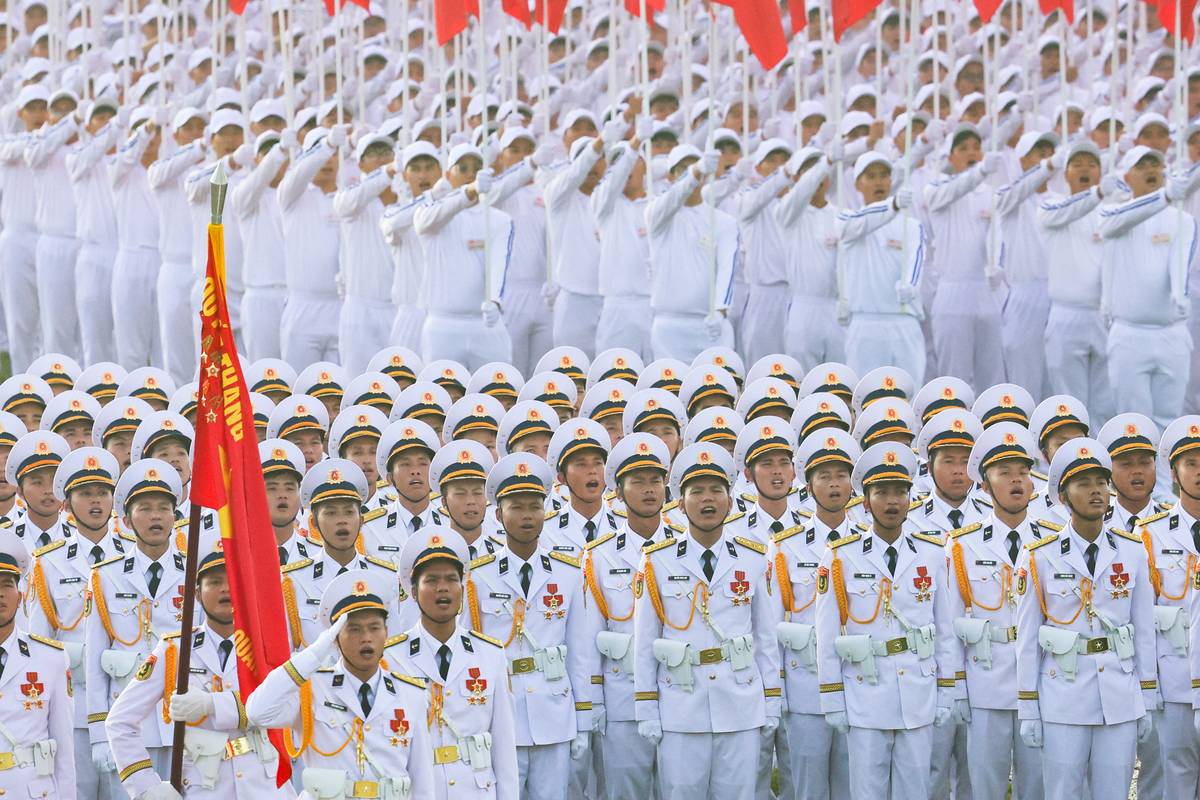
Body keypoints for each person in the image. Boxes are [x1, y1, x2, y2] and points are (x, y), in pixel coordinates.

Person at [814, 442, 962, 800]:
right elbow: (827, 633)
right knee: (868, 790)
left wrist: (947, 691)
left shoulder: (931, 553)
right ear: (865, 502)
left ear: (910, 499)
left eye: (900, 492)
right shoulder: (840, 557)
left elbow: (945, 630)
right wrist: (832, 697)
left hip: (918, 693)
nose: (892, 501)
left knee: (916, 789)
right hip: (865, 692)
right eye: (882, 493)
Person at [634, 442, 781, 800]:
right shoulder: (657, 561)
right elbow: (645, 642)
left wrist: (771, 701)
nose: (707, 499)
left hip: (740, 703)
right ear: (680, 503)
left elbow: (765, 637)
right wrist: (646, 708)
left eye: (716, 490)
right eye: (696, 491)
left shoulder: (753, 558)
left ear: (730, 501)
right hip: (681, 705)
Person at [1014, 438, 1156, 799]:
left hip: (1119, 696)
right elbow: (1027, 639)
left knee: (1113, 792)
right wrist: (1028, 707)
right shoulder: (1039, 556)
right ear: (1064, 497)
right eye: (1083, 484)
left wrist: (1148, 697)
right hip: (1063, 695)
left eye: (1101, 483)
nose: (1096, 491)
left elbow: (1143, 631)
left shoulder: (1132, 550)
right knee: (1063, 792)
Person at [105, 552, 293, 800]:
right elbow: (119, 720)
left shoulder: (268, 649)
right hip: (203, 786)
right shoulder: (175, 650)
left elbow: (288, 706)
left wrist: (211, 704)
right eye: (214, 582)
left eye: (234, 580)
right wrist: (146, 786)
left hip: (265, 785)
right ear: (196, 594)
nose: (226, 589)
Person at [246, 569, 435, 799]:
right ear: (334, 638)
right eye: (354, 629)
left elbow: (423, 781)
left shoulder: (411, 694)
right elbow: (257, 712)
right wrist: (313, 654)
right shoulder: (311, 688)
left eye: (374, 628)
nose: (366, 637)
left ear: (386, 632)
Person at [467, 452, 592, 800]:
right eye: (517, 507)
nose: (527, 516)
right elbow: (470, 652)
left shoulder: (567, 572)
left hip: (554, 712)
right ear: (498, 515)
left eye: (535, 507)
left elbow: (579, 652)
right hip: (500, 716)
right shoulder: (477, 576)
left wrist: (583, 719)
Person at [84, 459, 196, 795]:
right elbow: (94, 661)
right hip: (129, 726)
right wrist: (99, 733)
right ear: (127, 519)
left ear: (175, 516)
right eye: (144, 509)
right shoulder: (105, 576)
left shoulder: (195, 574)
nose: (155, 516)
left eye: (163, 508)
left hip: (183, 723)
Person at [576, 433, 677, 799]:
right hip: (623, 695)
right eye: (638, 482)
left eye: (656, 481)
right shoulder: (599, 556)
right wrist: (595, 701)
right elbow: (589, 636)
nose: (649, 490)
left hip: (679, 693)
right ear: (618, 492)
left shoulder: (684, 546)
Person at [386, 526, 519, 799]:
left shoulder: (490, 654)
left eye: (451, 579)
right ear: (414, 592)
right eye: (431, 580)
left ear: (462, 587)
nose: (442, 588)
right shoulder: (391, 658)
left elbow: (504, 746)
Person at [949, 423, 1045, 800]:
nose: (1016, 480)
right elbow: (951, 623)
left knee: (1036, 786)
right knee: (984, 786)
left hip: (1041, 682)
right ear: (985, 486)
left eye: (1023, 472)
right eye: (1004, 472)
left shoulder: (1051, 540)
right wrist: (957, 685)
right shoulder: (963, 545)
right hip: (985, 681)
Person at [24, 447, 126, 800]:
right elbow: (38, 642)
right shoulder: (49, 562)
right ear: (66, 504)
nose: (95, 501)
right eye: (85, 494)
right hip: (72, 704)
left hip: (124, 702)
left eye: (103, 493)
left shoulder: (132, 554)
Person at [772, 428, 862, 800]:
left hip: (860, 683)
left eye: (841, 475)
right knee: (806, 785)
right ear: (808, 486)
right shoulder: (785, 548)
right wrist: (776, 691)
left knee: (852, 785)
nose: (834, 484)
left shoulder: (867, 542)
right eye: (824, 476)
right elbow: (773, 625)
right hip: (805, 686)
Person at [1099, 146, 1198, 431]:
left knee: (1169, 422)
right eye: (1141, 166)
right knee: (1133, 425)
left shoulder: (1183, 219)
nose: (1150, 170)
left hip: (1172, 333)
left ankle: (1168, 464)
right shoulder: (1113, 214)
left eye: (1155, 164)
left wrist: (1180, 293)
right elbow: (1111, 225)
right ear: (1127, 177)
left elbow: (1181, 261)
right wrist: (1163, 196)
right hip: (1130, 334)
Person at [413, 143, 515, 368]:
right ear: (448, 175)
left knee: (496, 387)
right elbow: (422, 222)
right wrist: (468, 192)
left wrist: (495, 301)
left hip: (485, 323)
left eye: (476, 168)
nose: (470, 173)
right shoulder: (432, 214)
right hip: (443, 325)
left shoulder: (499, 219)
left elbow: (500, 263)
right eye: (463, 168)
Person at [924, 125, 1006, 389]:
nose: (971, 153)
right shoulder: (938, 190)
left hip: (987, 290)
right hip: (952, 293)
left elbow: (1000, 235)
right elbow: (949, 191)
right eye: (963, 149)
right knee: (954, 378)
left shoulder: (992, 194)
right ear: (950, 157)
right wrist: (980, 171)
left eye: (976, 147)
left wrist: (998, 265)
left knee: (992, 376)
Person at [838, 152, 926, 383]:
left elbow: (916, 259)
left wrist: (911, 285)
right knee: (865, 394)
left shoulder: (911, 225)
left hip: (904, 321)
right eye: (871, 176)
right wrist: (893, 204)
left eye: (884, 175)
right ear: (858, 184)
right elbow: (855, 225)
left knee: (908, 394)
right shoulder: (848, 220)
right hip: (865, 324)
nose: (878, 182)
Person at [647, 146, 739, 361]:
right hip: (669, 327)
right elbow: (675, 194)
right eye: (682, 168)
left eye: (695, 166)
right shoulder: (657, 215)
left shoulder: (724, 222)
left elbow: (727, 269)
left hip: (710, 325)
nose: (692, 173)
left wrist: (721, 310)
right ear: (671, 176)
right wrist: (696, 170)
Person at [0, 550, 76, 799]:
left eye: (7, 585)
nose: (0, 593)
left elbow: (64, 748)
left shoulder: (50, 657)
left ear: (20, 597)